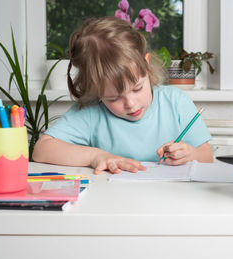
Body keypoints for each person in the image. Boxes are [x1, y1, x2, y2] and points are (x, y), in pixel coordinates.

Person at [32, 17, 213, 174]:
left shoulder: (175, 101)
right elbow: (41, 150)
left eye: (137, 88)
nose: (131, 104)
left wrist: (189, 155)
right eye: (113, 98)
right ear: (94, 89)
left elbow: (207, 156)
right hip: (112, 206)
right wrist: (96, 156)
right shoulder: (91, 112)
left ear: (146, 63)